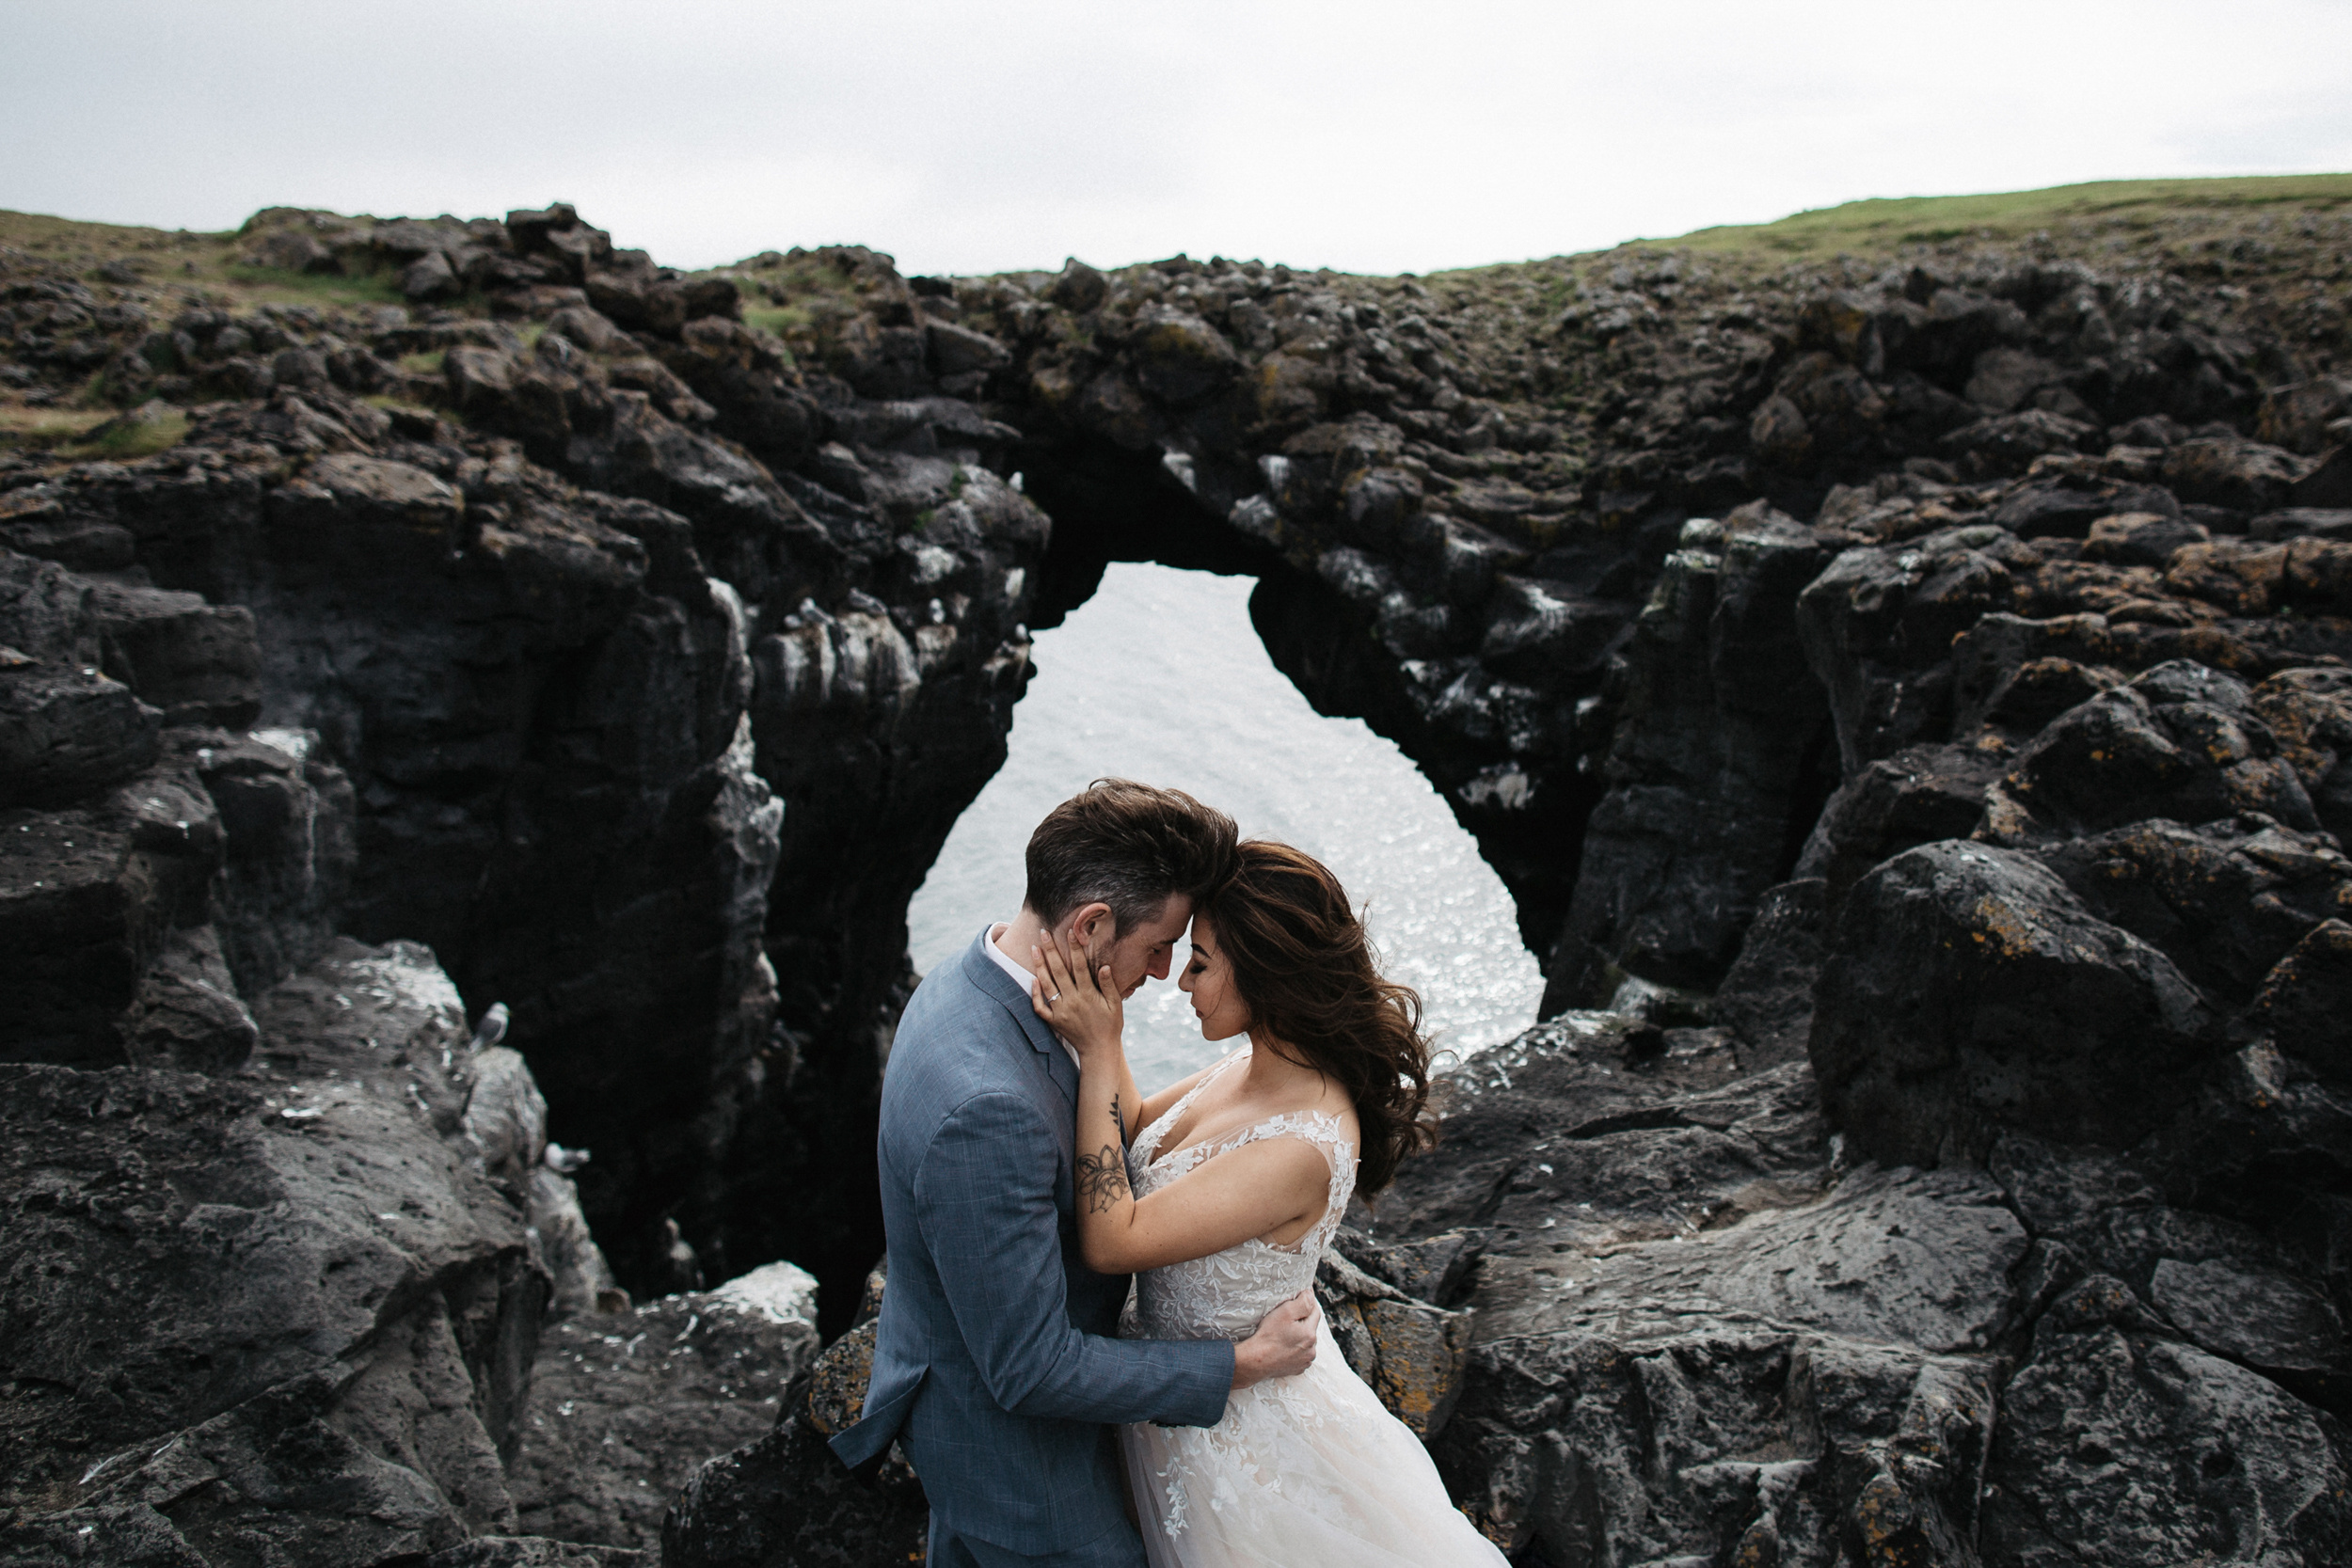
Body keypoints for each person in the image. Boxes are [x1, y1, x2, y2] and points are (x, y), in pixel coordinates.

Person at [831, 782, 1324, 1568]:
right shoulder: (987, 1107)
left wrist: (1105, 1049)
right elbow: (1032, 1368)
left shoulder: (970, 980)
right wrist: (1243, 1362)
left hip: (966, 1392)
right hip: (1025, 1474)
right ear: (1092, 923)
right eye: (1160, 943)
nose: (1165, 971)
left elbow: (1118, 1126)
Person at [1027, 838, 1510, 1568]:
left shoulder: (1303, 1141)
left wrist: (1099, 1051)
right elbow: (1129, 1128)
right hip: (1180, 1411)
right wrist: (1100, 1004)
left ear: (1265, 971)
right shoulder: (1250, 1062)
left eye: (1201, 961)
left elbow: (1113, 1239)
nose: (1181, 980)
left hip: (1249, 1449)